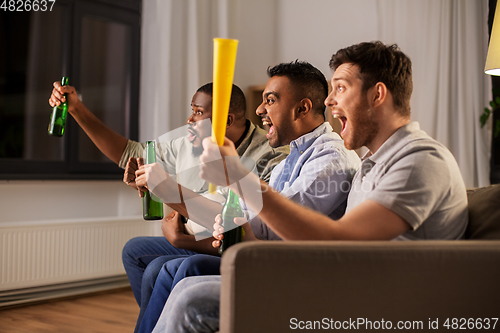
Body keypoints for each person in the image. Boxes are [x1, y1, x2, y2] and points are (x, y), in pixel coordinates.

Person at [151, 41, 469, 333]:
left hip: (377, 302)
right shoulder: (373, 164)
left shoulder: (419, 159)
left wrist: (239, 176)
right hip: (341, 282)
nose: (329, 101)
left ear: (378, 95)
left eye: (340, 88)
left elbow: (340, 245)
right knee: (182, 285)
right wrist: (245, 234)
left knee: (191, 298)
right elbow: (321, 245)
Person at [133, 60, 361, 333]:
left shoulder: (330, 159)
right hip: (262, 257)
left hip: (288, 271)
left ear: (302, 108)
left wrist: (174, 193)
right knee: (152, 260)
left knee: (180, 269)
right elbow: (242, 215)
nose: (259, 109)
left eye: (271, 100)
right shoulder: (292, 159)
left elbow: (263, 227)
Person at [48, 82, 288, 325]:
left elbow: (246, 233)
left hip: (227, 244)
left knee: (158, 269)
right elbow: (132, 152)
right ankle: (163, 323)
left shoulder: (269, 157)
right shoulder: (189, 142)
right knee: (134, 250)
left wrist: (179, 234)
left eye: (198, 112)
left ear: (226, 120)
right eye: (192, 110)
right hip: (197, 237)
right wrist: (76, 108)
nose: (189, 119)